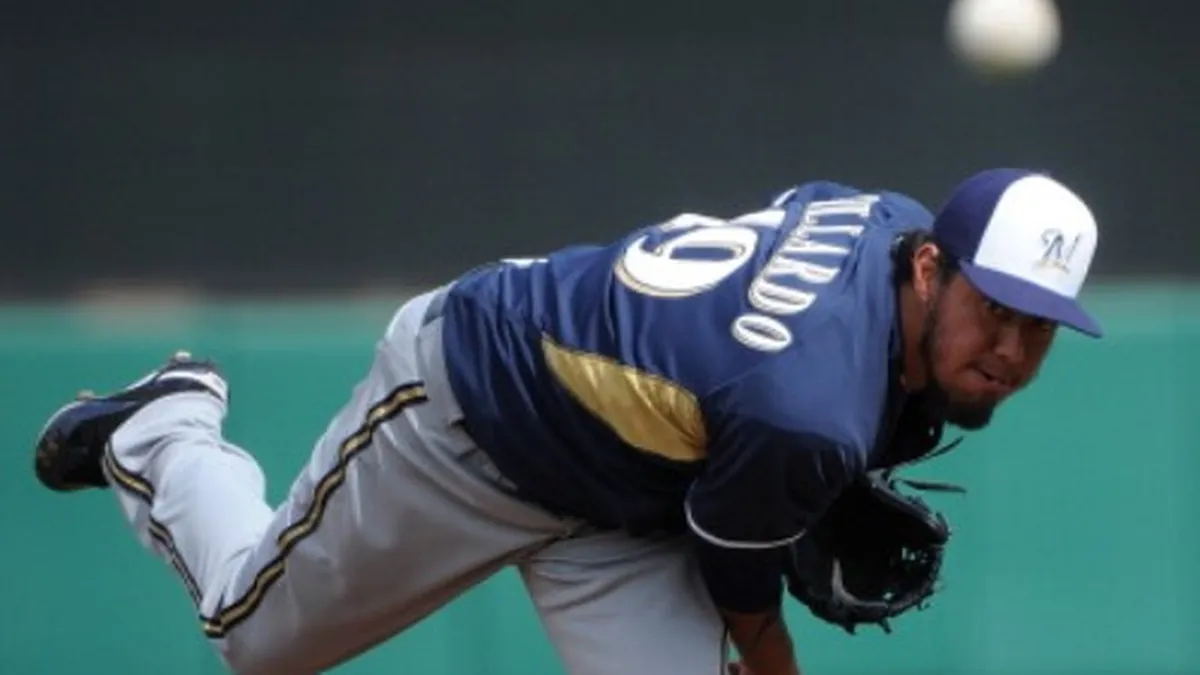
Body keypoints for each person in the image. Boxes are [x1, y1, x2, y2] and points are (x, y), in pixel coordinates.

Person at [33, 167, 1102, 675]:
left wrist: (754, 453)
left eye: (1039, 328)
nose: (1011, 350)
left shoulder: (886, 218)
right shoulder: (807, 414)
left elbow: (800, 209)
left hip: (630, 502)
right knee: (257, 638)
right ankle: (165, 428)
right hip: (474, 414)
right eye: (995, 310)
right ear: (933, 269)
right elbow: (745, 593)